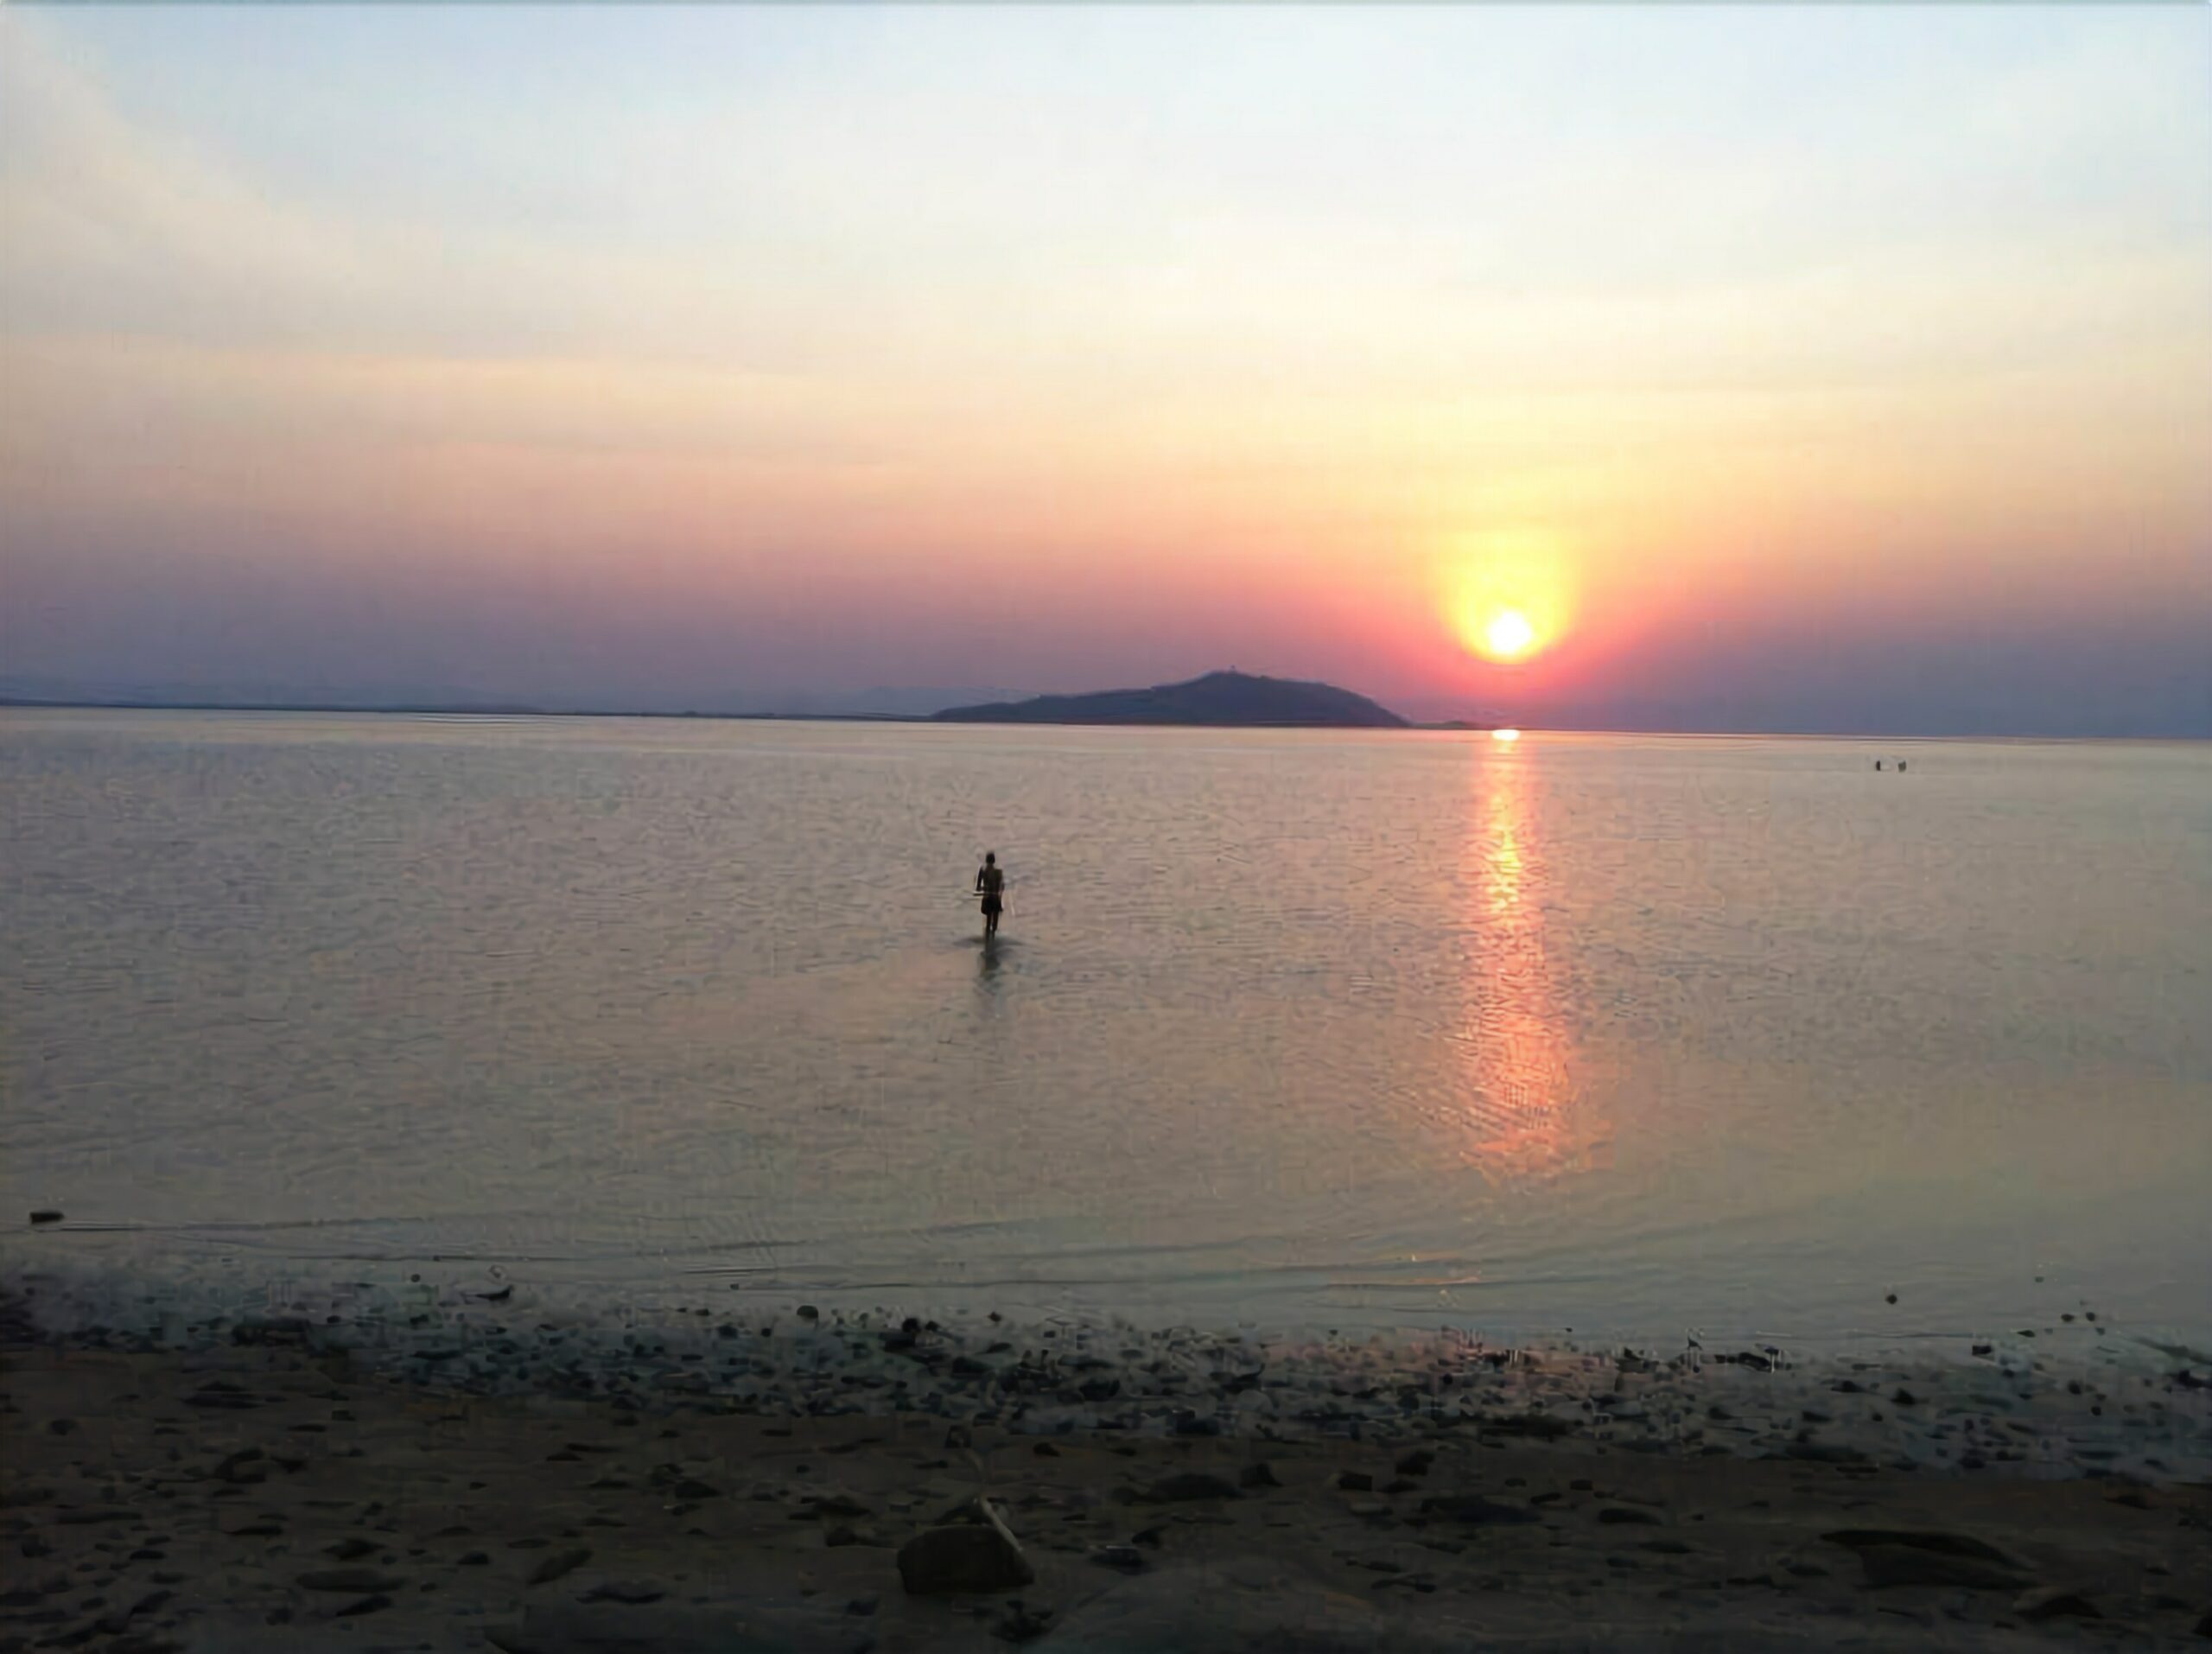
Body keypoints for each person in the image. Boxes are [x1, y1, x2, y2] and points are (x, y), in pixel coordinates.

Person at [975, 851, 1006, 939]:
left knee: (988, 922)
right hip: (995, 899)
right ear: (994, 861)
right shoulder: (998, 872)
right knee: (994, 924)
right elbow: (1002, 886)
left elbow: (977, 888)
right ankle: (992, 939)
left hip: (987, 898)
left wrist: (983, 888)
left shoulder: (982, 870)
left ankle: (987, 941)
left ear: (986, 860)